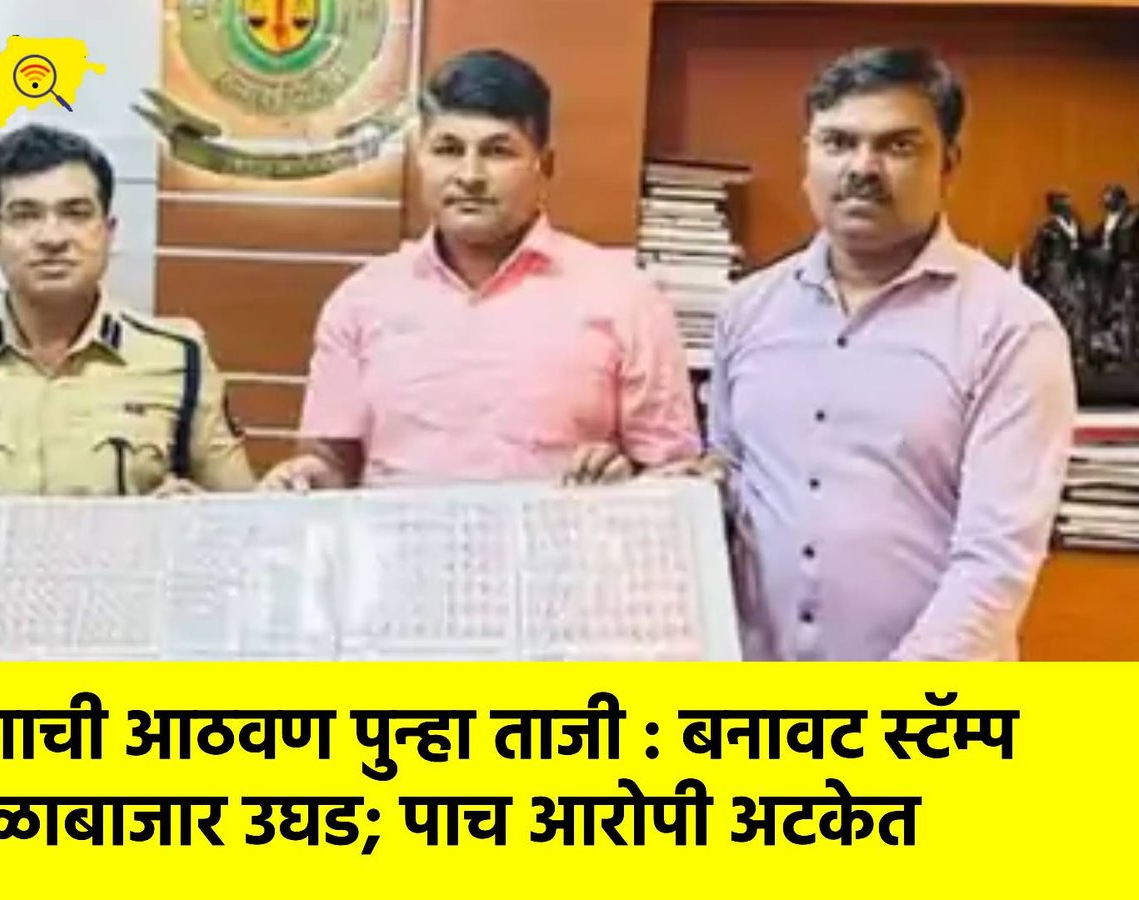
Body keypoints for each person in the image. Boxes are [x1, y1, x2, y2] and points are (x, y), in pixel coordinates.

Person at [702, 46, 1076, 661]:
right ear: (807, 156)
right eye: (837, 142)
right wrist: (666, 495)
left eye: (898, 146)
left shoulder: (1011, 329)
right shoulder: (748, 310)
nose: (862, 167)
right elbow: (733, 477)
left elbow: (995, 561)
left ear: (948, 164)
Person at [259, 49, 699, 492]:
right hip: (396, 538)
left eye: (498, 151)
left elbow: (672, 477)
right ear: (420, 158)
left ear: (544, 166)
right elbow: (331, 463)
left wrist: (624, 484)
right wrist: (304, 478)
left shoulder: (626, 299)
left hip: (564, 537)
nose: (470, 175)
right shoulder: (362, 300)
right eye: (448, 150)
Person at [0, 125, 253, 497]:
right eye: (25, 215)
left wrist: (205, 512)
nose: (52, 238)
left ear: (108, 232)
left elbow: (240, 513)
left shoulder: (179, 357)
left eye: (76, 214)